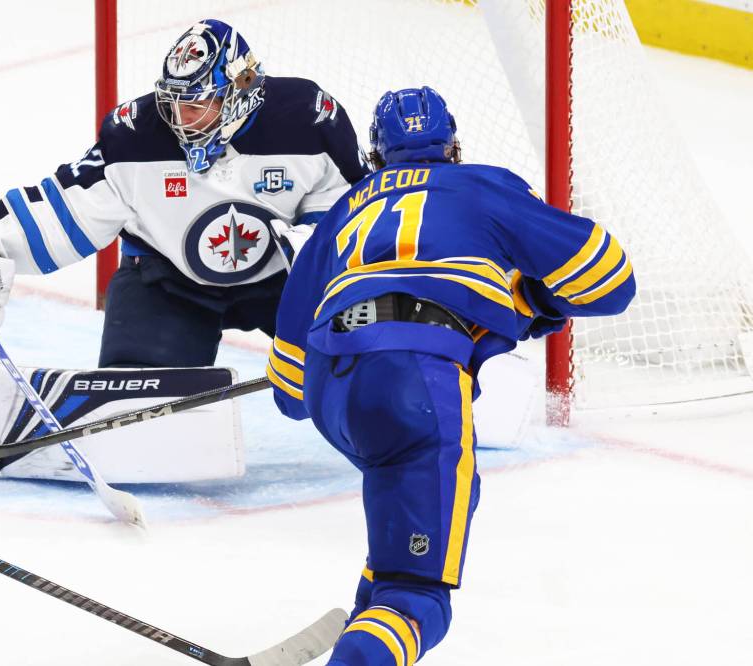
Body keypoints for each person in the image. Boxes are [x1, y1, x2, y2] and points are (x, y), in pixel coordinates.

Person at [267, 87, 635, 665]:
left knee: (409, 535)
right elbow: (611, 280)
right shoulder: (481, 185)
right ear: (453, 147)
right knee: (417, 600)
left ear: (376, 156)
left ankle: (368, 631)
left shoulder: (345, 208)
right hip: (415, 376)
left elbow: (288, 391)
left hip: (330, 383)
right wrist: (533, 299)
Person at [0, 18, 369, 368]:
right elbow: (68, 207)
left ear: (239, 91)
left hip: (285, 282)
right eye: (172, 103)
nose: (178, 119)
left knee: (370, 361)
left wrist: (315, 247)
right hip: (167, 283)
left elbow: (351, 201)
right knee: (138, 406)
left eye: (194, 106)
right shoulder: (137, 135)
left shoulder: (308, 118)